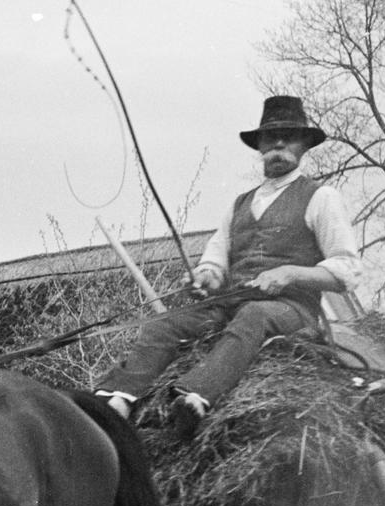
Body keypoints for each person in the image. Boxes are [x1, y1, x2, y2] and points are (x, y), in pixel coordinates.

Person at [96, 95, 362, 437]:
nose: (278, 143)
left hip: (292, 310)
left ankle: (195, 397)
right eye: (270, 136)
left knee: (254, 315)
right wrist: (205, 278)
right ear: (260, 146)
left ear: (304, 145)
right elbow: (215, 262)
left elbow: (348, 270)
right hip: (232, 305)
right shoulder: (239, 204)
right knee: (165, 324)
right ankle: (119, 398)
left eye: (289, 136)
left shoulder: (321, 198)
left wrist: (290, 274)